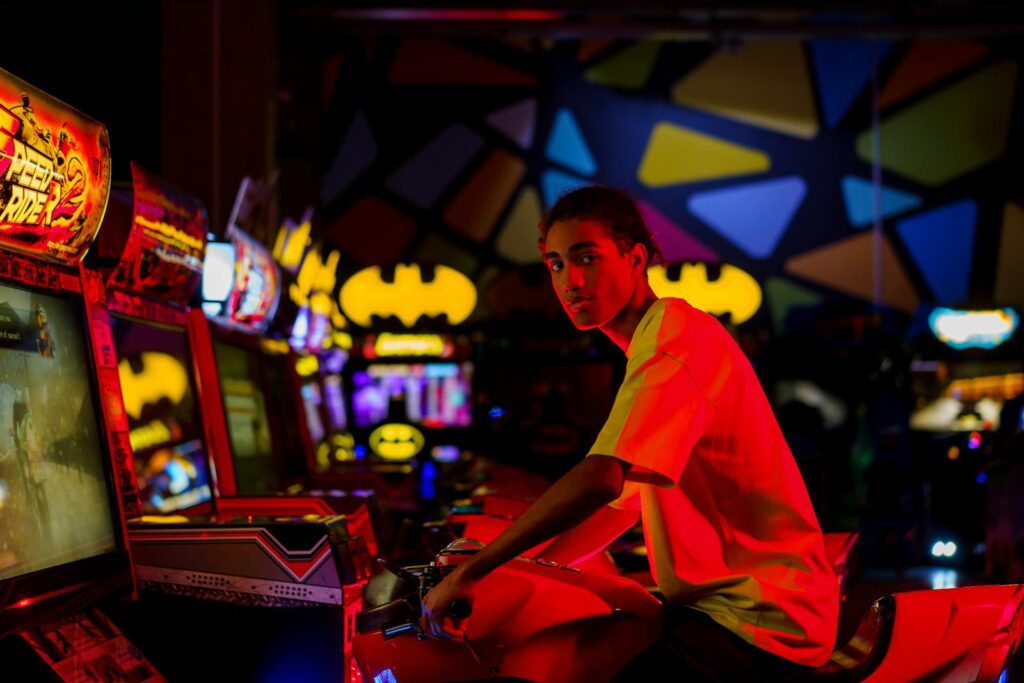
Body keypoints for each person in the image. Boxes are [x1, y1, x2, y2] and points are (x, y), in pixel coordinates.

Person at [422, 186, 839, 679]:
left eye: (587, 258)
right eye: (556, 264)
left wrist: (477, 569)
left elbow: (602, 478)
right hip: (725, 609)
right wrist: (527, 566)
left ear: (635, 257)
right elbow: (623, 506)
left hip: (760, 620)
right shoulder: (652, 342)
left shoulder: (675, 338)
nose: (570, 280)